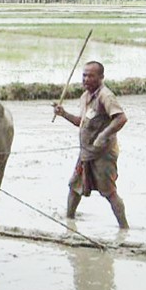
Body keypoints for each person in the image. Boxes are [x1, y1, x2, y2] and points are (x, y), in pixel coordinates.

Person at [53, 61, 129, 229]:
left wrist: (104, 135)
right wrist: (63, 114)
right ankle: (69, 222)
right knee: (74, 186)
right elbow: (82, 122)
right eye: (84, 75)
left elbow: (121, 118)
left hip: (102, 154)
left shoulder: (105, 96)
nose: (86, 79)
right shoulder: (86, 96)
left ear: (101, 77)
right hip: (86, 152)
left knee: (109, 192)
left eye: (90, 76)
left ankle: (124, 229)